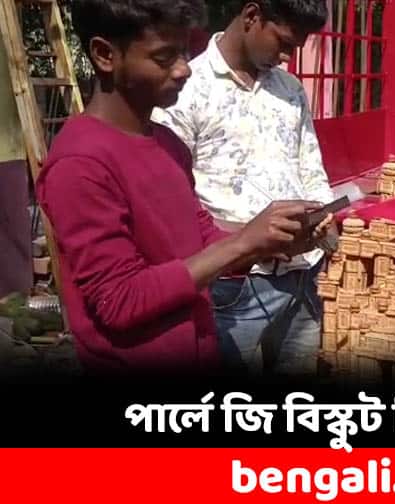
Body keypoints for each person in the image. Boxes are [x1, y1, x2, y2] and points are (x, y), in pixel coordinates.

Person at [37, 0, 330, 375]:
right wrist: (243, 242)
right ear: (104, 55)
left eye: (185, 52)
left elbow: (201, 237)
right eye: (164, 58)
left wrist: (270, 239)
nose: (184, 69)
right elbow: (120, 300)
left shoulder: (167, 144)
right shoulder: (80, 164)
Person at [152, 0, 336, 378]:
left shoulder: (291, 90)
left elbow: (311, 168)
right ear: (252, 17)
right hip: (235, 287)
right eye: (283, 42)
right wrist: (250, 239)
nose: (288, 56)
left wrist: (324, 218)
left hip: (305, 279)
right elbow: (172, 206)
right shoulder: (186, 89)